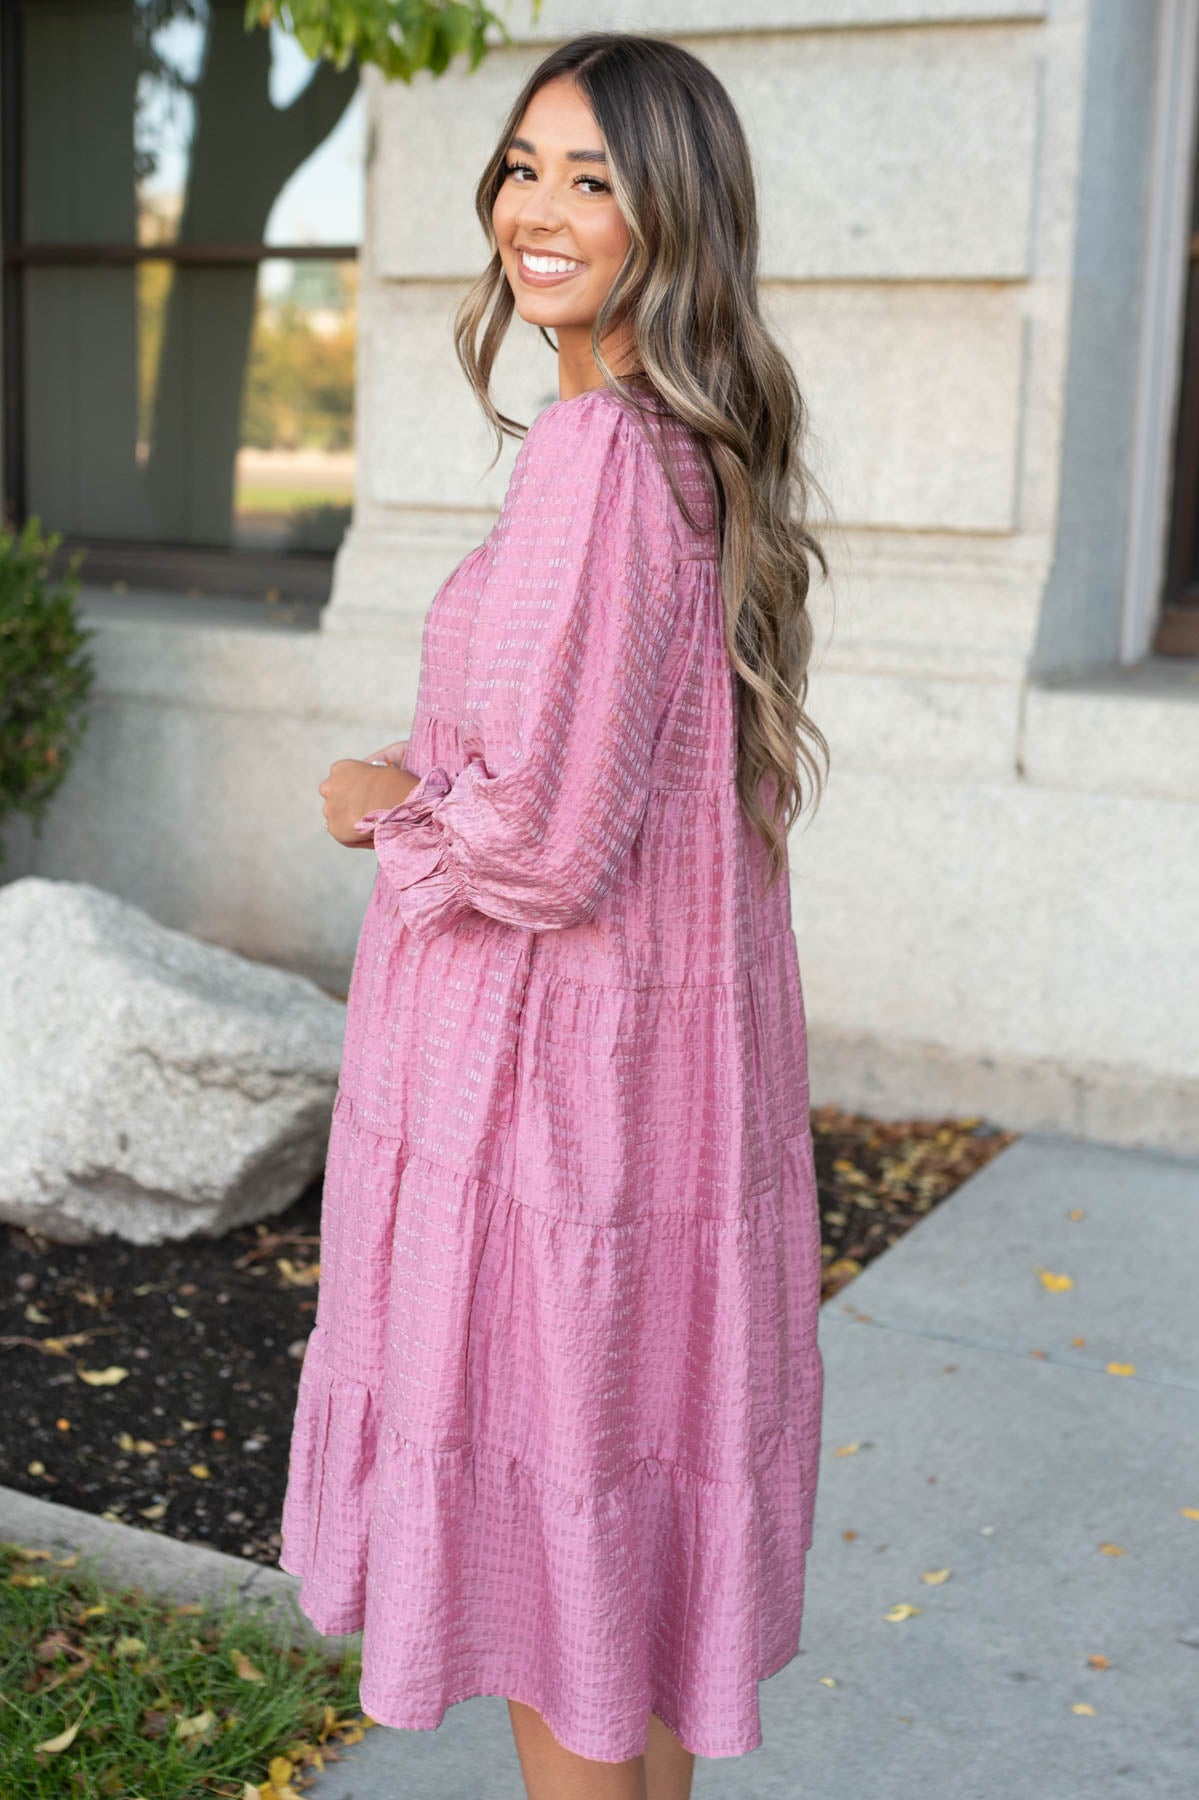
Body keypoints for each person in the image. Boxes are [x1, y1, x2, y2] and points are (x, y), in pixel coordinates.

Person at [279, 30, 833, 1800]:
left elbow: (541, 849)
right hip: (641, 1107)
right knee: (627, 1630)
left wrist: (392, 807)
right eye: (525, 166)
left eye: (593, 178)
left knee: (566, 1616)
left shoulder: (600, 454)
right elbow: (610, 768)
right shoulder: (685, 449)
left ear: (675, 218)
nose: (539, 208)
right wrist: (441, 758)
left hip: (553, 1129)